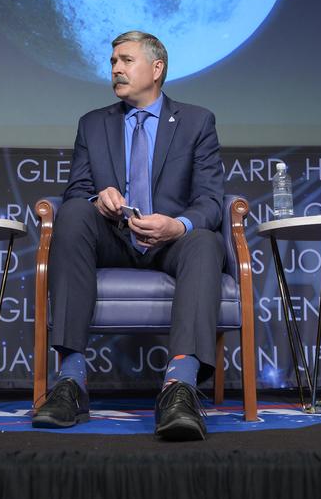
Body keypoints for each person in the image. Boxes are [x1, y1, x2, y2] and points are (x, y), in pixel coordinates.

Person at [33, 31, 225, 440]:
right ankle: (70, 382)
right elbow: (76, 189)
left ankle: (180, 388)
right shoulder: (93, 124)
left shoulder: (197, 121)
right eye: (113, 62)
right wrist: (95, 197)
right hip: (115, 237)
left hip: (170, 241)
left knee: (207, 240)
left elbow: (210, 200)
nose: (116, 69)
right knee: (72, 214)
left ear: (157, 69)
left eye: (126, 60)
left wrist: (178, 225)